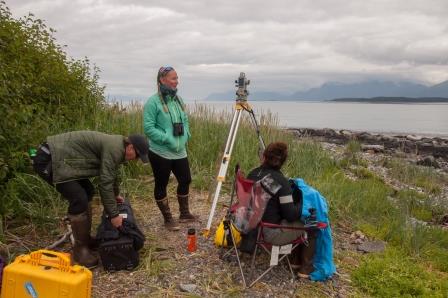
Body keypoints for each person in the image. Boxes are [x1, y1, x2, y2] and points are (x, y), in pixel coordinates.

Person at [32, 130, 149, 268]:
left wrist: (115, 194)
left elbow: (111, 173)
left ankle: (85, 240)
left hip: (65, 162)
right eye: (137, 156)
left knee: (88, 191)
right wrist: (114, 215)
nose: (135, 160)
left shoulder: (117, 146)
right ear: (130, 147)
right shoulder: (115, 148)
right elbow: (105, 184)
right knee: (79, 198)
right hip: (49, 159)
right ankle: (80, 251)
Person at [247, 142, 316, 278]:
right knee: (311, 223)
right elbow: (290, 215)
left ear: (264, 156)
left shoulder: (253, 174)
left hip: (250, 226)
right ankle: (305, 268)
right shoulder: (280, 181)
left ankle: (295, 261)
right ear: (283, 161)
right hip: (268, 232)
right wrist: (302, 206)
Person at [143, 66, 197, 231]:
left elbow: (185, 120)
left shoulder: (178, 100)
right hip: (161, 152)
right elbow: (148, 128)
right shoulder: (152, 102)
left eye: (177, 78)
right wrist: (167, 139)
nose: (177, 81)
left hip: (180, 151)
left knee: (185, 179)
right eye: (173, 78)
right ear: (162, 80)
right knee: (162, 184)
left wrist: (186, 134)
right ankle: (168, 219)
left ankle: (184, 213)